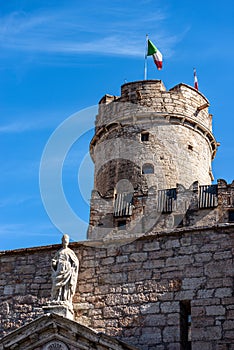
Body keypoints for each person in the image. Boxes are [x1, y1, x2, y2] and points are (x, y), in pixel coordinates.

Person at [51, 234, 79, 304]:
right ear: (62, 241)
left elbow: (76, 262)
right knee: (56, 284)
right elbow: (55, 261)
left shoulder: (70, 252)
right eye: (64, 240)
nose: (65, 242)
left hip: (67, 270)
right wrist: (54, 263)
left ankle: (65, 299)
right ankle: (56, 298)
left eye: (66, 241)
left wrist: (72, 268)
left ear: (68, 242)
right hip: (59, 269)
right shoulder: (59, 252)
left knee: (66, 286)